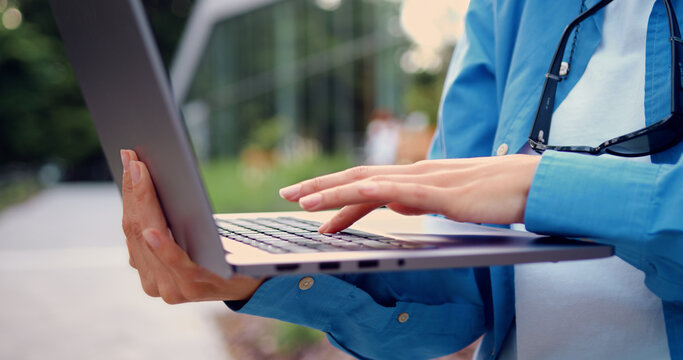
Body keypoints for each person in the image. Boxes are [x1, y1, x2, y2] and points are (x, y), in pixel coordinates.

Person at [119, 0, 683, 359]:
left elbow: (527, 187)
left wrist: (544, 187)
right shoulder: (508, 10)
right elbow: (458, 301)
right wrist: (251, 276)